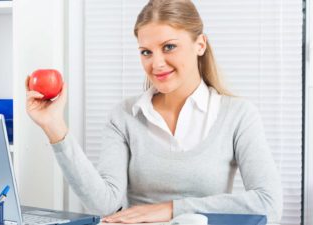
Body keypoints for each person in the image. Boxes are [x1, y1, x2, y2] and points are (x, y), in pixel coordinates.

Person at [26, 0, 283, 223]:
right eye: (146, 52)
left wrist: (170, 210)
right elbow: (105, 205)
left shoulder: (238, 115)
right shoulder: (124, 116)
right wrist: (53, 126)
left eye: (169, 47)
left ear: (200, 45)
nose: (156, 63)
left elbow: (269, 204)